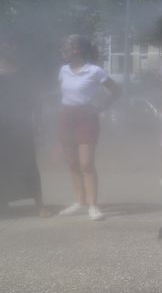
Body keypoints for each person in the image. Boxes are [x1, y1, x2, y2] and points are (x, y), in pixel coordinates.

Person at [57, 35, 122, 221]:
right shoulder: (63, 70)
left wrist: (100, 107)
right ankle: (79, 201)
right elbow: (64, 93)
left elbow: (117, 91)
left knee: (86, 163)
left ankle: (93, 206)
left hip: (86, 118)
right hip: (66, 116)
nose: (64, 50)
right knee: (71, 163)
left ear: (78, 50)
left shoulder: (94, 71)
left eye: (68, 47)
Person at [0, 38, 49, 216]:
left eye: (7, 46)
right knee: (2, 165)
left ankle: (39, 205)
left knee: (28, 164)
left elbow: (36, 101)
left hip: (20, 126)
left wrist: (39, 121)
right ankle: (2, 203)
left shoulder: (23, 74)